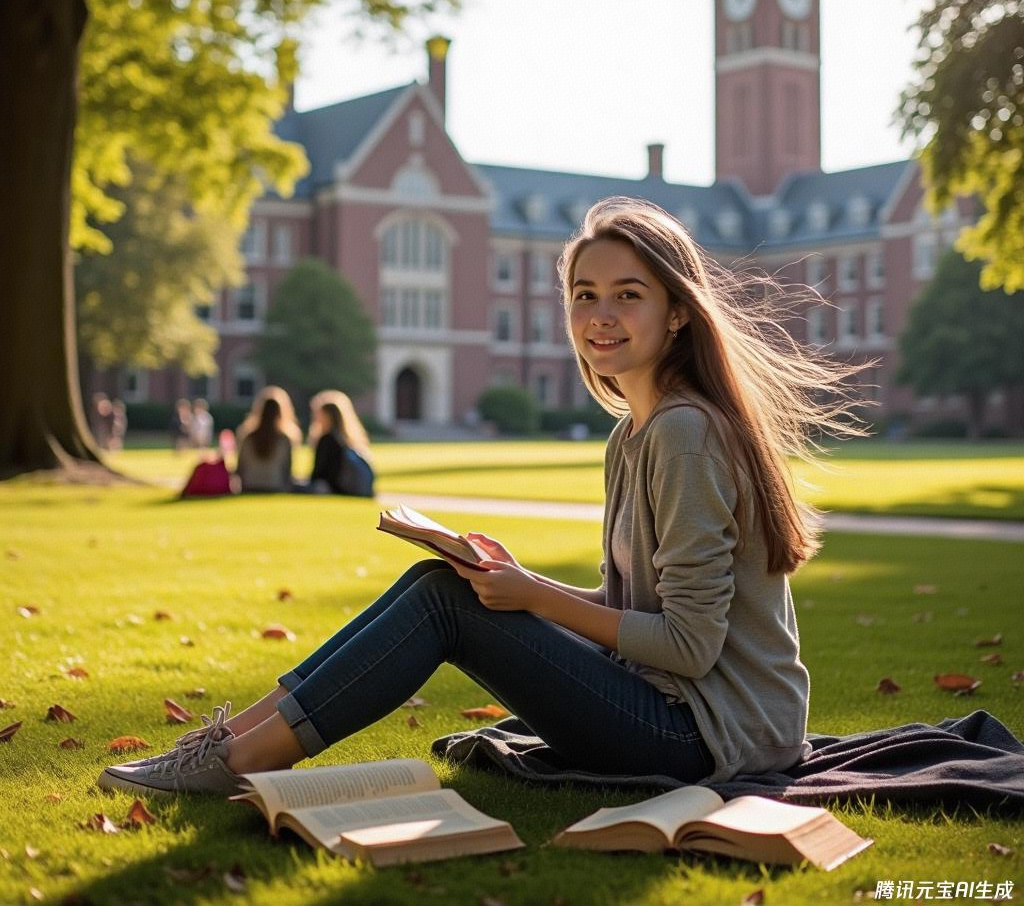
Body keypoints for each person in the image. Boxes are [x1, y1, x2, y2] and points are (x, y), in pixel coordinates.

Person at [98, 197, 865, 797]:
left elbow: (689, 646)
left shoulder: (683, 434)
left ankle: (240, 758)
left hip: (711, 737)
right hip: (673, 709)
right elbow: (633, 605)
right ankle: (230, 745)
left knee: (445, 603)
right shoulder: (634, 433)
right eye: (585, 294)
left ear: (678, 312)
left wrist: (528, 595)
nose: (600, 315)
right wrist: (515, 583)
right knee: (447, 580)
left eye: (628, 294)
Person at [305, 390, 375, 496]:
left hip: (330, 488)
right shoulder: (344, 440)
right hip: (342, 488)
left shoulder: (327, 439)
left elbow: (319, 473)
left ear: (327, 416)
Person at [234, 386, 302, 493]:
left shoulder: (248, 437)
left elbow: (240, 468)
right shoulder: (284, 439)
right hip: (275, 486)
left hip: (250, 485)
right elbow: (287, 471)